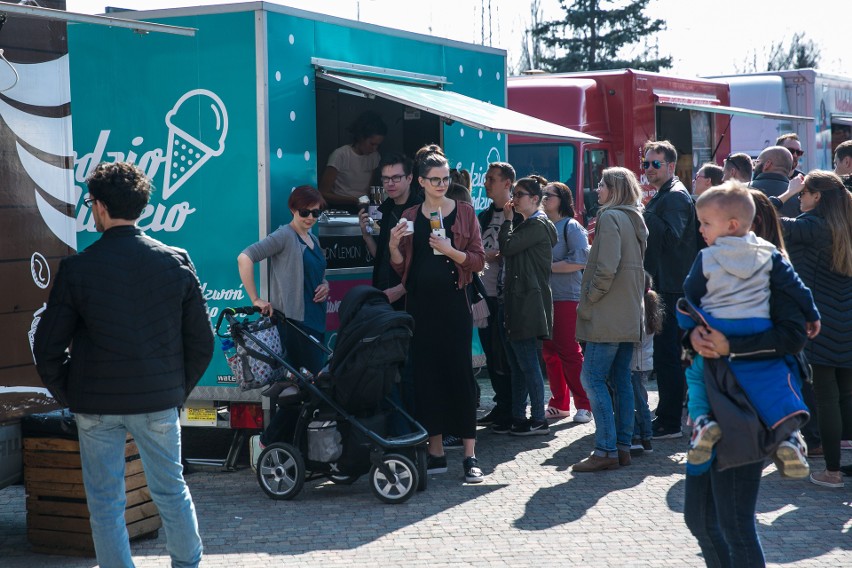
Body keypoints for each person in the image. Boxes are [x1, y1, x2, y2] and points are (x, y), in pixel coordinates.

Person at [33, 162, 213, 568]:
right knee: (171, 491)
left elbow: (47, 348)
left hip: (95, 404)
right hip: (157, 401)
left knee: (105, 503)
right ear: (141, 207)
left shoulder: (78, 268)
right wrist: (174, 391)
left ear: (98, 206)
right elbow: (202, 342)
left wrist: (72, 393)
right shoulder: (176, 260)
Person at [680, 183, 819, 477]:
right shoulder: (770, 254)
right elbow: (797, 288)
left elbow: (690, 295)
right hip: (758, 324)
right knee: (778, 380)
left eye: (705, 223)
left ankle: (703, 421)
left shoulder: (706, 257)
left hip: (718, 324)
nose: (701, 229)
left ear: (731, 225)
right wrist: (812, 314)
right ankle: (791, 436)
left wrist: (691, 330)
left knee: (695, 372)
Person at [684, 289, 810, 568]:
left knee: (736, 527)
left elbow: (793, 339)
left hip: (742, 416)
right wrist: (692, 337)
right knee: (700, 520)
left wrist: (730, 346)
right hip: (707, 408)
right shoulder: (711, 265)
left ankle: (788, 435)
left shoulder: (772, 272)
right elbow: (689, 316)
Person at [389, 150, 486, 483]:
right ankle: (436, 451)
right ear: (421, 182)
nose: (442, 184)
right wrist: (392, 246)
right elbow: (401, 266)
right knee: (426, 378)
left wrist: (450, 251)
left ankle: (470, 456)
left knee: (459, 375)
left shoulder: (464, 213)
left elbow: (477, 260)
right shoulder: (410, 214)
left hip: (454, 305)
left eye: (446, 179)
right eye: (435, 179)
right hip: (420, 306)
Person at [772, 170, 852, 488]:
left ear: (817, 196)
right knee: (846, 396)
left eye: (804, 193)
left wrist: (785, 194)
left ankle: (832, 471)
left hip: (821, 323)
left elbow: (755, 211)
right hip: (847, 321)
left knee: (826, 398)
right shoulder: (845, 224)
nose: (801, 197)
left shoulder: (810, 227)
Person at [239, 185, 329, 454]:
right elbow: (245, 257)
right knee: (306, 389)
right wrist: (256, 299)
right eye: (305, 212)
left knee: (307, 389)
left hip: (314, 322)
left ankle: (289, 445)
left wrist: (325, 285)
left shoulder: (313, 238)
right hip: (294, 324)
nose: (311, 217)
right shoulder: (285, 235)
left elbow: (316, 275)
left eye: (316, 212)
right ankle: (270, 441)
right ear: (293, 209)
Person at [571, 167, 648, 472]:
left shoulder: (610, 217)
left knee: (592, 378)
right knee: (621, 379)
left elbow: (607, 267)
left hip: (608, 313)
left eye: (602, 185)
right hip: (629, 312)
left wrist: (589, 296)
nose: (598, 190)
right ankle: (622, 447)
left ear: (614, 190)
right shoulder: (634, 217)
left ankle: (605, 450)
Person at [641, 140, 699, 439]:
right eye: (646, 164)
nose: (649, 169)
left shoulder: (675, 196)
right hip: (668, 284)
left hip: (673, 288)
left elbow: (672, 237)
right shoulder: (667, 193)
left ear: (671, 166)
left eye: (655, 164)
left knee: (668, 356)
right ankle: (668, 414)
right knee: (667, 356)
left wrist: (645, 214)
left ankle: (669, 420)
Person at [498, 175, 557, 436]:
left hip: (528, 303)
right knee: (520, 364)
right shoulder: (531, 223)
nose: (514, 198)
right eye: (514, 193)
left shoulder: (536, 225)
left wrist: (507, 221)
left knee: (529, 364)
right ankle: (519, 416)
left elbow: (507, 247)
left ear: (535, 199)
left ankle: (537, 418)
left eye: (519, 194)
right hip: (523, 301)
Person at [540, 180, 592, 424]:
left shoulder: (571, 226)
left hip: (566, 297)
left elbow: (581, 260)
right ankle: (559, 404)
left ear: (561, 199)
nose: (544, 197)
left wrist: (545, 268)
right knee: (550, 352)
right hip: (544, 298)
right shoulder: (541, 225)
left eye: (548, 194)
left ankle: (584, 403)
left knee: (569, 351)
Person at [476, 162, 516, 433]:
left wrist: (497, 255)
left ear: (507, 183)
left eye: (492, 179)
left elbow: (517, 249)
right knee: (492, 354)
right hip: (484, 294)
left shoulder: (517, 216)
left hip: (507, 296)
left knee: (507, 355)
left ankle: (513, 409)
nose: (486, 183)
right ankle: (501, 407)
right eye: (486, 178)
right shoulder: (483, 215)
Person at [359, 153, 423, 310]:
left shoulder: (421, 210)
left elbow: (425, 263)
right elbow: (382, 256)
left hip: (411, 298)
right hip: (383, 293)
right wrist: (366, 236)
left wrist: (401, 289)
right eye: (385, 178)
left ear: (409, 178)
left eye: (396, 178)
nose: (390, 183)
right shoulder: (387, 208)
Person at [319, 111, 386, 208]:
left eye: (377, 145)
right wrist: (353, 200)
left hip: (362, 206)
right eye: (371, 144)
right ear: (360, 137)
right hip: (339, 208)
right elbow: (323, 193)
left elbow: (368, 189)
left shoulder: (375, 157)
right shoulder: (340, 155)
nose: (374, 149)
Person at [630, 272, 663, 456]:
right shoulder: (651, 307)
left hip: (635, 362)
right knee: (641, 399)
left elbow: (636, 339)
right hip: (645, 362)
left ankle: (639, 436)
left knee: (638, 402)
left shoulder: (639, 309)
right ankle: (646, 438)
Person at [750, 146, 798, 218]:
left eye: (757, 162)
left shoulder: (742, 190)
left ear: (767, 164)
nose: (754, 168)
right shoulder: (802, 196)